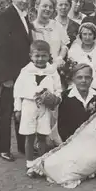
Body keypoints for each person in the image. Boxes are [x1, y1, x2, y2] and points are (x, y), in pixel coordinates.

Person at [0, 0, 34, 162]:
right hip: (10, 74)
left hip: (23, 73)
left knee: (22, 110)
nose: (24, 1)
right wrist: (5, 76)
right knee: (6, 111)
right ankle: (3, 149)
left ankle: (22, 146)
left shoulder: (25, 17)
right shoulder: (5, 16)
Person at [13, 40, 62, 176]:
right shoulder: (26, 71)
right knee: (29, 136)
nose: (40, 59)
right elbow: (17, 92)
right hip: (29, 106)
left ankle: (42, 163)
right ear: (31, 56)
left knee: (42, 135)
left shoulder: (52, 71)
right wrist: (17, 109)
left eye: (43, 56)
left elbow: (58, 89)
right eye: (37, 56)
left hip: (45, 107)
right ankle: (30, 164)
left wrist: (56, 98)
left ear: (49, 56)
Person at [57, 63, 96, 142]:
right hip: (73, 141)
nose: (83, 80)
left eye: (87, 77)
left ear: (91, 79)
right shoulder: (65, 97)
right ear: (73, 79)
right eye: (79, 77)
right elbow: (62, 126)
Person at [67, 22, 96, 90]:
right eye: (84, 34)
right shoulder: (74, 50)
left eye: (90, 34)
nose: (87, 37)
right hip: (76, 85)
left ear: (94, 36)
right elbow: (71, 71)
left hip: (94, 85)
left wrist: (92, 86)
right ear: (80, 35)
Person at [31, 0, 69, 68]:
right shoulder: (31, 27)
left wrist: (60, 58)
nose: (48, 9)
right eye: (45, 6)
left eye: (51, 7)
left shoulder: (57, 25)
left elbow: (64, 46)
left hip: (56, 67)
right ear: (36, 6)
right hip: (37, 67)